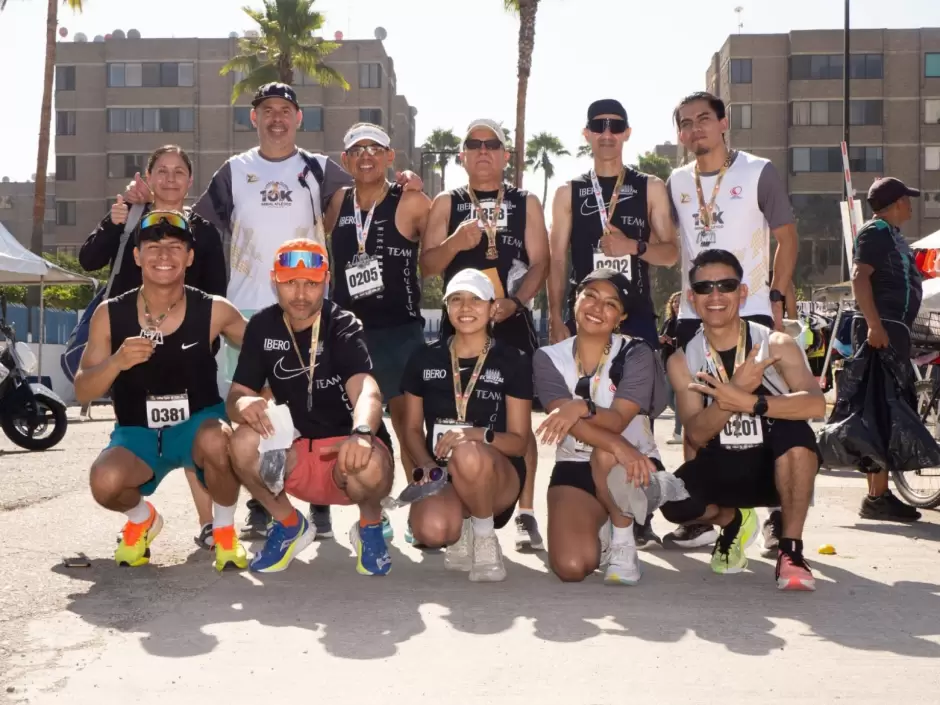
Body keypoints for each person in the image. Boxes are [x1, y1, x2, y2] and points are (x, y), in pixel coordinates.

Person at [122, 82, 421, 541]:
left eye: (285, 110)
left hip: (310, 307)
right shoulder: (234, 171)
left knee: (316, 404)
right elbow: (195, 228)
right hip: (247, 309)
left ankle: (318, 504)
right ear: (254, 119)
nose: (276, 117)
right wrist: (149, 203)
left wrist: (403, 183)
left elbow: (368, 188)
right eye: (267, 110)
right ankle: (261, 508)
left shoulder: (319, 169)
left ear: (298, 118)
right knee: (252, 411)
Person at [74, 211, 249, 571]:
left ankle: (225, 531)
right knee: (104, 482)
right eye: (153, 247)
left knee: (220, 441)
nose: (164, 256)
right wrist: (116, 363)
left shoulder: (215, 310)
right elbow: (82, 391)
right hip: (138, 434)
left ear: (190, 257)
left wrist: (254, 397)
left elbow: (266, 350)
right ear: (137, 256)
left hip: (198, 427)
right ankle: (142, 520)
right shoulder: (110, 314)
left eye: (175, 247)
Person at [665, 90, 799, 550]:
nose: (695, 128)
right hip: (694, 311)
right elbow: (672, 246)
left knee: (772, 416)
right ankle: (705, 513)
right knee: (697, 416)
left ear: (724, 123)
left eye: (704, 119)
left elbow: (788, 239)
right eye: (686, 123)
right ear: (680, 134)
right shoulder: (677, 181)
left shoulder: (758, 171)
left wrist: (777, 297)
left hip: (752, 307)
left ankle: (778, 514)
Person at [80, 145, 227, 549]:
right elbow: (88, 259)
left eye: (179, 171)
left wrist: (198, 340)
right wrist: (116, 220)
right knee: (139, 430)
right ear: (148, 176)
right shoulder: (130, 221)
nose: (170, 179)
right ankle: (141, 518)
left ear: (190, 180)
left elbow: (217, 291)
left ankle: (212, 525)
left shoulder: (203, 229)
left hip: (187, 345)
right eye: (161, 170)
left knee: (197, 430)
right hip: (132, 352)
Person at [222, 239, 395, 574]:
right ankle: (289, 525)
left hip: (345, 455)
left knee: (369, 464)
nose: (300, 294)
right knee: (241, 441)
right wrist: (243, 402)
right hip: (295, 451)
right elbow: (236, 397)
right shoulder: (261, 326)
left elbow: (367, 390)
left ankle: (369, 527)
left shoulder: (343, 323)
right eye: (290, 282)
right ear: (274, 280)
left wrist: (361, 433)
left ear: (326, 281)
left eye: (311, 284)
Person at [421, 118, 549, 552]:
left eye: (492, 144)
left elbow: (541, 262)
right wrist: (456, 243)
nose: (482, 151)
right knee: (450, 405)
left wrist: (515, 303)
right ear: (462, 156)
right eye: (473, 144)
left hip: (508, 317)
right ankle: (449, 493)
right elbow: (428, 266)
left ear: (505, 155)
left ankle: (525, 513)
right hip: (462, 318)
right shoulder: (447, 202)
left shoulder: (525, 200)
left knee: (519, 421)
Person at [661, 249, 822, 591]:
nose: (715, 296)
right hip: (723, 463)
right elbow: (696, 433)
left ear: (743, 292)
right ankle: (734, 521)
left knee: (796, 434)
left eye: (727, 285)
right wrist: (731, 394)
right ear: (692, 298)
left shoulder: (776, 344)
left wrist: (750, 402)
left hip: (773, 466)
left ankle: (791, 551)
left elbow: (815, 405)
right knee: (675, 505)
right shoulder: (683, 359)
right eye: (705, 288)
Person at [534, 269, 666, 585]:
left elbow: (618, 419)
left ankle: (623, 542)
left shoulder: (637, 352)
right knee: (571, 566)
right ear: (575, 300)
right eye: (590, 296)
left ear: (620, 317)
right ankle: (604, 527)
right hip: (576, 464)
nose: (597, 308)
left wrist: (582, 406)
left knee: (607, 456)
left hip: (635, 465)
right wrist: (618, 444)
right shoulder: (548, 357)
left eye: (610, 304)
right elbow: (562, 423)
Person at [399, 269, 532, 581]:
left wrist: (476, 436)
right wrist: (428, 467)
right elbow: (411, 429)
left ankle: (485, 536)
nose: (466, 307)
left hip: (497, 475)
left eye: (476, 299)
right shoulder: (424, 358)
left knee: (468, 453)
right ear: (446, 307)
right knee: (431, 530)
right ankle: (463, 530)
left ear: (491, 308)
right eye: (456, 299)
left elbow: (519, 443)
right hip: (444, 473)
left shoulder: (513, 360)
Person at [325, 122, 432, 488]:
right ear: (346, 160)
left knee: (408, 426)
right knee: (356, 423)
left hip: (400, 332)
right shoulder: (339, 201)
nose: (365, 156)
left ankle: (425, 500)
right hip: (349, 333)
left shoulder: (412, 200)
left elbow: (437, 251)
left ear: (390, 157)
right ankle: (373, 510)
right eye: (357, 150)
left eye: (375, 149)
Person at [547, 98, 679, 349]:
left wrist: (633, 246)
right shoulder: (568, 192)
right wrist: (554, 315)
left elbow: (671, 254)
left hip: (635, 315)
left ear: (627, 134)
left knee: (637, 387)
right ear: (587, 134)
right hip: (585, 313)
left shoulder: (650, 187)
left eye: (616, 127)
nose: (607, 134)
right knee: (581, 389)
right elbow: (557, 261)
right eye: (599, 126)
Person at [851, 177, 924, 522]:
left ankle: (879, 494)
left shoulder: (894, 236)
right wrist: (874, 324)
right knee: (880, 411)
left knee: (886, 410)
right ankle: (876, 497)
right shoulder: (875, 232)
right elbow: (859, 277)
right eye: (907, 200)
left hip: (894, 331)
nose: (911, 205)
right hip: (882, 331)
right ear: (895, 203)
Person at [659, 291, 683, 444]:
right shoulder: (668, 322)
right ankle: (687, 418)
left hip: (681, 365)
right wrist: (660, 339)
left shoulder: (686, 323)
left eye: (680, 302)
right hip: (666, 364)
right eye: (675, 302)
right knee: (668, 399)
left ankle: (678, 433)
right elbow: (660, 339)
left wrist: (671, 341)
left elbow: (685, 342)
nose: (677, 304)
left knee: (678, 399)